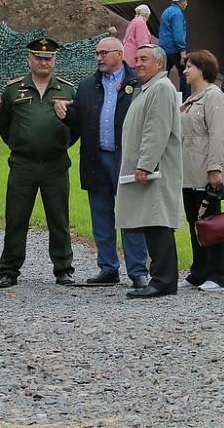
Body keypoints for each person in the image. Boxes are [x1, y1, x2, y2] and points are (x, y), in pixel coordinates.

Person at [56, 37, 149, 288]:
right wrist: (66, 111)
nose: (99, 58)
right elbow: (81, 120)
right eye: (97, 53)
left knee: (130, 215)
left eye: (104, 53)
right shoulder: (87, 86)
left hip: (126, 160)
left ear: (119, 54)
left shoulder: (137, 83)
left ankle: (138, 270)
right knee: (101, 217)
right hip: (96, 159)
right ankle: (108, 268)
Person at [0, 38, 78, 288]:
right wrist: (21, 143)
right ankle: (9, 270)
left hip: (55, 164)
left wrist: (60, 144)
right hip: (23, 165)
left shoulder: (68, 90)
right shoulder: (13, 90)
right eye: (39, 58)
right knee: (16, 219)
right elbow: (3, 124)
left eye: (48, 58)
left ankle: (63, 269)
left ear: (55, 61)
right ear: (29, 60)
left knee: (59, 219)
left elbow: (76, 126)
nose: (44, 62)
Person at [117, 43, 184, 299]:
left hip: (156, 171)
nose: (138, 63)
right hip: (150, 168)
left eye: (144, 59)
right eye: (136, 59)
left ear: (159, 64)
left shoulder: (161, 88)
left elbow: (156, 130)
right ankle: (160, 279)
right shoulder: (149, 88)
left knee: (158, 223)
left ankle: (163, 281)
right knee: (152, 222)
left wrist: (145, 164)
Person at [180, 50, 224, 291]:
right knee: (196, 224)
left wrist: (215, 168)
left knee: (213, 223)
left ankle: (218, 274)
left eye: (189, 66)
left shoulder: (213, 96)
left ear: (202, 69)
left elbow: (217, 134)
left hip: (205, 171)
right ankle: (198, 272)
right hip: (188, 173)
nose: (185, 71)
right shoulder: (191, 99)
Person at [159, 0, 190, 100]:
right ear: (181, 1)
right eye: (185, 1)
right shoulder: (177, 14)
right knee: (185, 74)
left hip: (164, 48)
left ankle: (160, 97)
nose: (186, 3)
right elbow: (178, 32)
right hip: (175, 48)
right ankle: (184, 99)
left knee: (162, 75)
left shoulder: (167, 11)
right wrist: (182, 50)